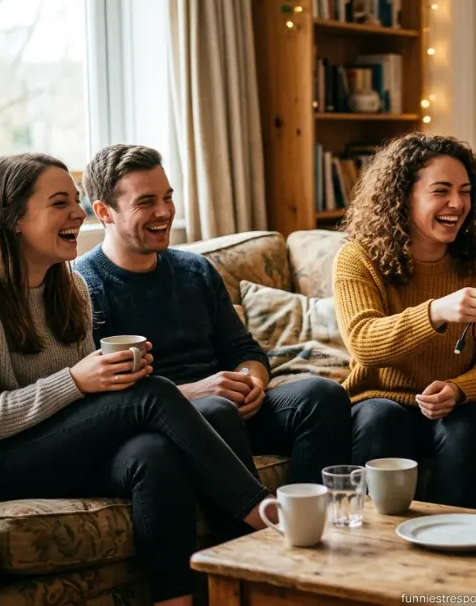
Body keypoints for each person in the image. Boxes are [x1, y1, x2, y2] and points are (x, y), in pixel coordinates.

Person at [0, 154, 271, 606]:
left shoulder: (69, 287)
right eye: (60, 203)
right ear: (13, 217)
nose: (78, 214)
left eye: (76, 200)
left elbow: (85, 411)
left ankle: (177, 600)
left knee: (152, 453)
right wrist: (77, 381)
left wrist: (109, 381)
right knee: (154, 393)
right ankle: (258, 511)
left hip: (50, 448)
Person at [74, 144, 351, 485]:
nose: (164, 212)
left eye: (168, 197)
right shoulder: (83, 287)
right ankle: (253, 528)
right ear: (104, 211)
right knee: (215, 411)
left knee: (323, 396)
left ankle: (309, 521)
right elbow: (105, 396)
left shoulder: (195, 269)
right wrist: (194, 393)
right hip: (166, 424)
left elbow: (244, 349)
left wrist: (251, 382)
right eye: (146, 202)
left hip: (230, 409)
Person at [332, 132, 476, 510]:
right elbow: (363, 342)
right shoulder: (358, 259)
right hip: (380, 400)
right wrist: (435, 312)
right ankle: (371, 547)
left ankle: (452, 541)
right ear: (403, 197)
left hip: (456, 406)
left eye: (466, 191)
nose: (457, 203)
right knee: (382, 419)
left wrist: (459, 389)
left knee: (473, 424)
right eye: (441, 191)